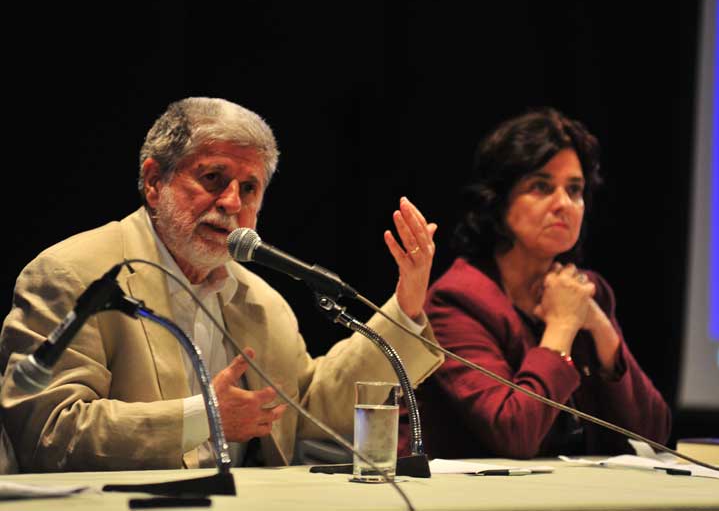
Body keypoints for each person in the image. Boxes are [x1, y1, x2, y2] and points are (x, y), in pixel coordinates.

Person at [0, 97, 443, 472]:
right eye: (213, 179)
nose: (232, 202)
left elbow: (304, 412)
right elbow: (47, 432)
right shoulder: (74, 272)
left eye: (249, 188)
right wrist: (204, 417)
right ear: (155, 182)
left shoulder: (260, 301)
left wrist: (404, 305)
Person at [399, 107, 670, 459]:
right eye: (541, 187)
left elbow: (655, 437)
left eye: (575, 190)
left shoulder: (586, 291)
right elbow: (514, 433)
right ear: (497, 200)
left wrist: (601, 329)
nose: (564, 204)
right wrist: (562, 325)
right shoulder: (456, 301)